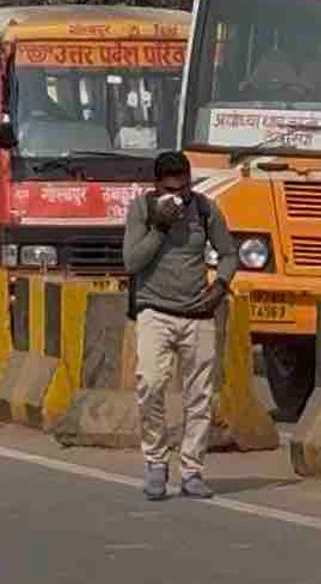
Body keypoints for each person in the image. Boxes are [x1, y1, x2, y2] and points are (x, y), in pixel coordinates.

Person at [123, 150, 238, 501]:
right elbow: (132, 261)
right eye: (172, 189)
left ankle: (192, 470)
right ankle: (156, 461)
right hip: (154, 310)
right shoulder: (142, 210)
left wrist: (220, 286)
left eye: (185, 187)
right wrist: (160, 227)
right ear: (156, 187)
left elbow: (229, 253)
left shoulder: (204, 209)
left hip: (197, 314)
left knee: (199, 396)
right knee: (150, 384)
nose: (180, 195)